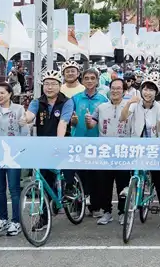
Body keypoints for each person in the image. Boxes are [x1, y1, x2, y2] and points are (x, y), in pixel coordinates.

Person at [23, 69, 75, 231]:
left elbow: (63, 123)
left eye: (53, 84)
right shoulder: (37, 102)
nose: (49, 87)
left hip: (61, 141)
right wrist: (23, 119)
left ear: (59, 86)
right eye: (46, 84)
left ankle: (70, 188)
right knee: (44, 180)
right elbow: (30, 116)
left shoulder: (67, 102)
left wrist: (58, 144)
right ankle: (43, 218)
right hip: (42, 144)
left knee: (66, 167)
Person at [120, 72, 160, 230]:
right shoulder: (135, 105)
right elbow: (122, 118)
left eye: (151, 89)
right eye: (145, 89)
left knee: (159, 181)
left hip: (153, 148)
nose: (147, 93)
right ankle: (130, 188)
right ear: (141, 90)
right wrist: (128, 103)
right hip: (136, 145)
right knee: (129, 169)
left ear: (156, 92)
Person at [0, 82, 28, 236]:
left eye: (2, 93)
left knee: (14, 189)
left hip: (13, 154)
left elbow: (25, 130)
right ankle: (3, 219)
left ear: (10, 94)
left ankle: (16, 221)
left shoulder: (19, 109)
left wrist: (24, 123)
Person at [86, 78, 132, 225]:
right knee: (104, 184)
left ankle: (122, 212)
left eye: (119, 88)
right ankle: (107, 212)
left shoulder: (130, 107)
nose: (115, 91)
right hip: (105, 151)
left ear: (124, 91)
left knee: (122, 183)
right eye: (113, 88)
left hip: (123, 151)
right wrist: (88, 121)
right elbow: (91, 125)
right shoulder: (101, 107)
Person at [71, 68, 110, 216]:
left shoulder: (103, 99)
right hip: (78, 141)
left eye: (92, 78)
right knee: (78, 176)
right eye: (86, 78)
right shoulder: (75, 98)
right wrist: (73, 121)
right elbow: (69, 118)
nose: (89, 81)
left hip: (97, 142)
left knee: (96, 176)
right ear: (82, 80)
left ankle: (95, 207)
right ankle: (77, 206)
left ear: (97, 80)